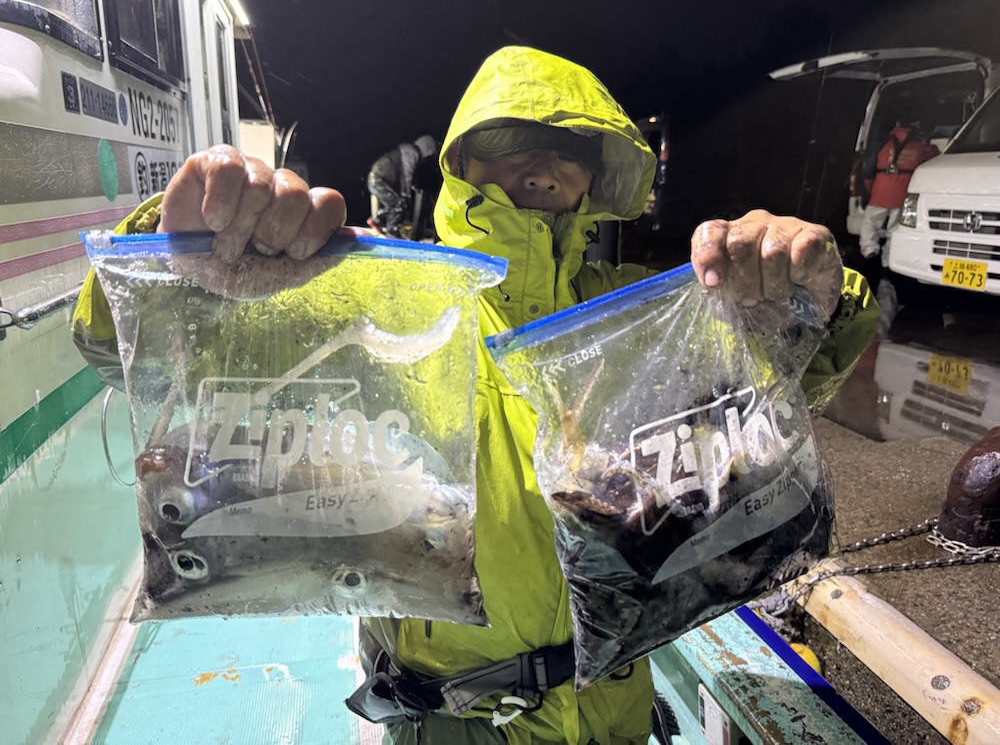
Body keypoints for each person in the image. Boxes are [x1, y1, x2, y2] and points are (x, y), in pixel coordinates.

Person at [73, 46, 879, 744]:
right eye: (508, 139)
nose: (545, 162)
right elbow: (141, 355)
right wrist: (187, 258)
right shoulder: (384, 301)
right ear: (457, 162)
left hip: (615, 710)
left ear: (597, 176)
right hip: (450, 724)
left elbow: (787, 386)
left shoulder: (649, 310)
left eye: (574, 147)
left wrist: (807, 293)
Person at [859, 120, 940, 267]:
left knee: (870, 223)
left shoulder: (882, 143)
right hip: (902, 193)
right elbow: (936, 159)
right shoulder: (921, 147)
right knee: (895, 229)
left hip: (880, 192)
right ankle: (888, 260)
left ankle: (869, 251)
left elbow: (868, 170)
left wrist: (869, 188)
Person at [367, 134, 438, 237]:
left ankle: (377, 220)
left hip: (376, 179)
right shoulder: (412, 152)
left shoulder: (408, 150)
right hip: (379, 180)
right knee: (399, 204)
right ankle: (391, 232)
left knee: (395, 204)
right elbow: (407, 173)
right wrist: (406, 194)